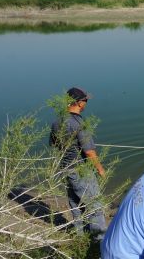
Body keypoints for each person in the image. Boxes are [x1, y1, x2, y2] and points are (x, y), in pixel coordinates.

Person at [49, 87, 106, 238]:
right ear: (80, 103)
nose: (86, 103)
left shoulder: (57, 122)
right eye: (85, 100)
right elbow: (89, 151)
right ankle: (99, 241)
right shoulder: (79, 123)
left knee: (75, 203)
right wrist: (100, 169)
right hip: (81, 170)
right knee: (95, 205)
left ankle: (80, 236)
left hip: (65, 168)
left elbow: (54, 145)